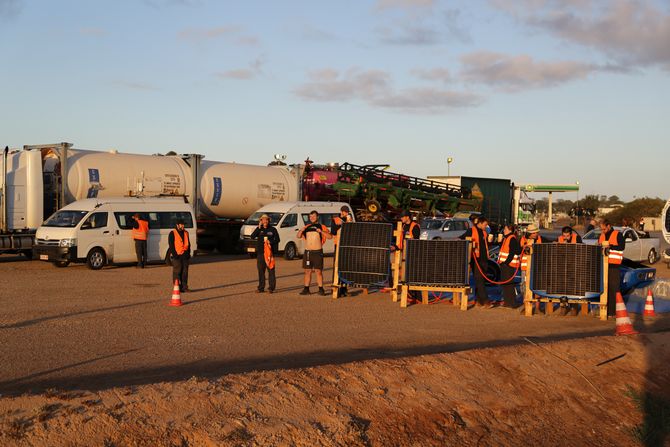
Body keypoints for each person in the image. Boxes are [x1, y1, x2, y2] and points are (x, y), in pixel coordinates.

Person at [297, 210, 332, 295]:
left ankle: (321, 289)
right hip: (308, 252)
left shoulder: (322, 226)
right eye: (310, 216)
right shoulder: (307, 227)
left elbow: (330, 236)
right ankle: (306, 289)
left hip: (317, 252)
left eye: (313, 216)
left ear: (317, 217)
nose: (312, 218)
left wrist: (321, 231)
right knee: (307, 271)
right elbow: (298, 236)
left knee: (318, 271)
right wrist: (301, 230)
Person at [460, 215, 492, 308]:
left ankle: (479, 301)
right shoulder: (471, 230)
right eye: (485, 224)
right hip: (476, 259)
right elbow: (461, 238)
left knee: (480, 280)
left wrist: (491, 241)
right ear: (480, 223)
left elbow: (485, 245)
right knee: (479, 280)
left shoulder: (484, 232)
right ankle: (485, 301)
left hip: (484, 259)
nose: (486, 226)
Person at [598, 219, 625, 317]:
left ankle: (615, 312)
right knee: (605, 289)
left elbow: (622, 247)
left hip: (614, 266)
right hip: (604, 266)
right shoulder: (601, 236)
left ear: (609, 226)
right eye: (601, 229)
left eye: (604, 229)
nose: (603, 231)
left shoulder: (618, 234)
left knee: (614, 289)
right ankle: (607, 311)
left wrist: (610, 246)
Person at [250, 214, 280, 293]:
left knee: (271, 270)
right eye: (263, 220)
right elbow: (252, 236)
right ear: (261, 221)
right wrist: (258, 228)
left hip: (269, 253)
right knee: (261, 271)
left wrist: (271, 241)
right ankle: (261, 288)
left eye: (266, 219)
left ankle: (271, 288)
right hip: (260, 253)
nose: (265, 221)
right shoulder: (259, 229)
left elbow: (277, 239)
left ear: (268, 220)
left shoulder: (273, 229)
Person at [331, 206, 353, 296]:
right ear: (341, 212)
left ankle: (344, 288)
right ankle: (335, 288)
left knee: (345, 267)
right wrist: (341, 223)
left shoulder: (349, 220)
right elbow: (333, 231)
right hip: (338, 245)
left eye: (347, 212)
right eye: (344, 212)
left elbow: (352, 231)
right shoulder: (335, 219)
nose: (345, 213)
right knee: (336, 267)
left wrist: (348, 222)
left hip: (347, 246)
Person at [498, 224, 521, 308]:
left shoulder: (512, 239)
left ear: (510, 230)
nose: (504, 230)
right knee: (505, 284)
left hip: (508, 265)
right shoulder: (506, 238)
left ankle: (512, 303)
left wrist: (506, 262)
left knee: (509, 284)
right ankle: (508, 302)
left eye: (505, 228)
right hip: (505, 265)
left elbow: (512, 252)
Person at [168, 219, 191, 293]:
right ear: (177, 225)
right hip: (177, 256)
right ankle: (177, 288)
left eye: (183, 224)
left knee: (185, 273)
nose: (183, 226)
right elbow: (171, 246)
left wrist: (188, 254)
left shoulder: (186, 233)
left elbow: (188, 244)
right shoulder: (172, 233)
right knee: (177, 272)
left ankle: (184, 287)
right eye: (181, 224)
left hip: (185, 256)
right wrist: (175, 255)